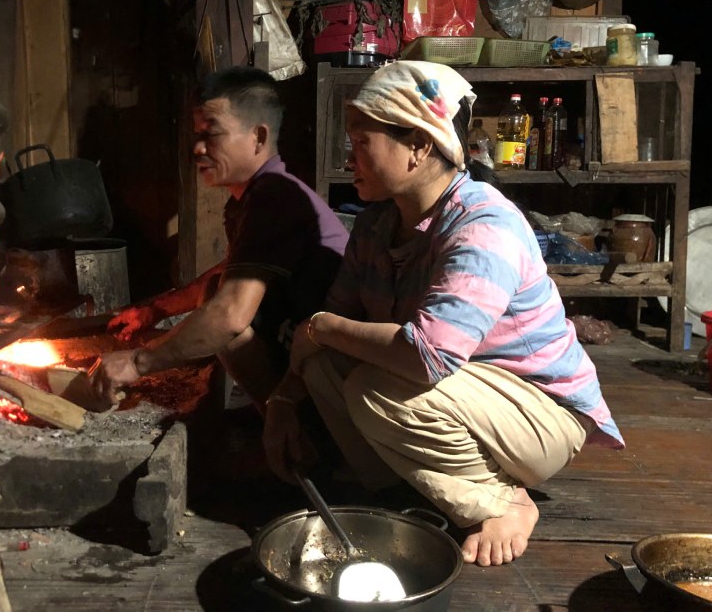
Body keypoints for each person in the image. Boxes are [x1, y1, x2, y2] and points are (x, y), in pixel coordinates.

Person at [262, 60, 624, 568]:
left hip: (541, 417)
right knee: (325, 367)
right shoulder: (374, 227)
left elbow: (424, 358)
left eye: (362, 141)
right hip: (466, 401)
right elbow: (332, 322)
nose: (351, 156)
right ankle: (406, 487)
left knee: (374, 386)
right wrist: (283, 399)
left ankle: (501, 501)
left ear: (419, 146)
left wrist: (320, 328)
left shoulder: (483, 225)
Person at [93, 66, 349, 416]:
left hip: (338, 371)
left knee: (220, 305)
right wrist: (154, 310)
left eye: (211, 134)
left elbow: (230, 315)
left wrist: (137, 362)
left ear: (259, 137)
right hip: (307, 348)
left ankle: (297, 428)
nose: (198, 148)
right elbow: (234, 269)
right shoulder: (252, 198)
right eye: (196, 134)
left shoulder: (275, 196)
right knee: (216, 288)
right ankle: (281, 418)